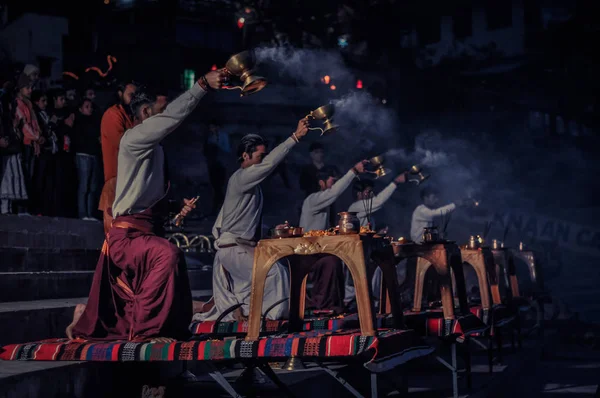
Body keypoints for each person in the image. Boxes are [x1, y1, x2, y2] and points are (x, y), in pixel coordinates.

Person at [67, 70, 227, 342]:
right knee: (168, 255)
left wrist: (176, 206)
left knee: (171, 261)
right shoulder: (135, 138)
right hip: (126, 238)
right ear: (144, 111)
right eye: (161, 111)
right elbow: (175, 116)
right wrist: (201, 86)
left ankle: (161, 326)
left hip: (144, 233)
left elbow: (144, 196)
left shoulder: (155, 149)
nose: (167, 117)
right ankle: (147, 331)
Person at [196, 122, 309, 323]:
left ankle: (256, 316)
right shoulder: (240, 178)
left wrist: (273, 231)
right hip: (233, 249)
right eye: (260, 157)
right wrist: (295, 137)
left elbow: (243, 222)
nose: (262, 162)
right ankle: (272, 319)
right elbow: (269, 166)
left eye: (263, 157)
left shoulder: (253, 186)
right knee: (274, 272)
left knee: (264, 278)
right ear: (245, 156)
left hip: (241, 248)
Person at [298, 161, 367, 311]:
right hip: (308, 252)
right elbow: (334, 192)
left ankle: (338, 303)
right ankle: (322, 305)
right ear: (321, 182)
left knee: (340, 258)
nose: (335, 185)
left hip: (320, 250)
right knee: (331, 262)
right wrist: (354, 171)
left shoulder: (326, 204)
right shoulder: (313, 200)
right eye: (332, 181)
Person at [98, 81, 137, 233]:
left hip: (128, 180)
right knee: (115, 232)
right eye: (131, 95)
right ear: (120, 94)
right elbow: (123, 143)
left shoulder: (130, 115)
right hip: (116, 179)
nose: (134, 99)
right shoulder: (113, 114)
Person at [71, 98, 102, 220]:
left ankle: (89, 214)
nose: (90, 109)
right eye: (86, 106)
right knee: (84, 186)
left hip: (93, 155)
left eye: (91, 107)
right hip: (83, 155)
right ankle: (82, 213)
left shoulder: (94, 121)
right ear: (80, 109)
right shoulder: (78, 121)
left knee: (92, 187)